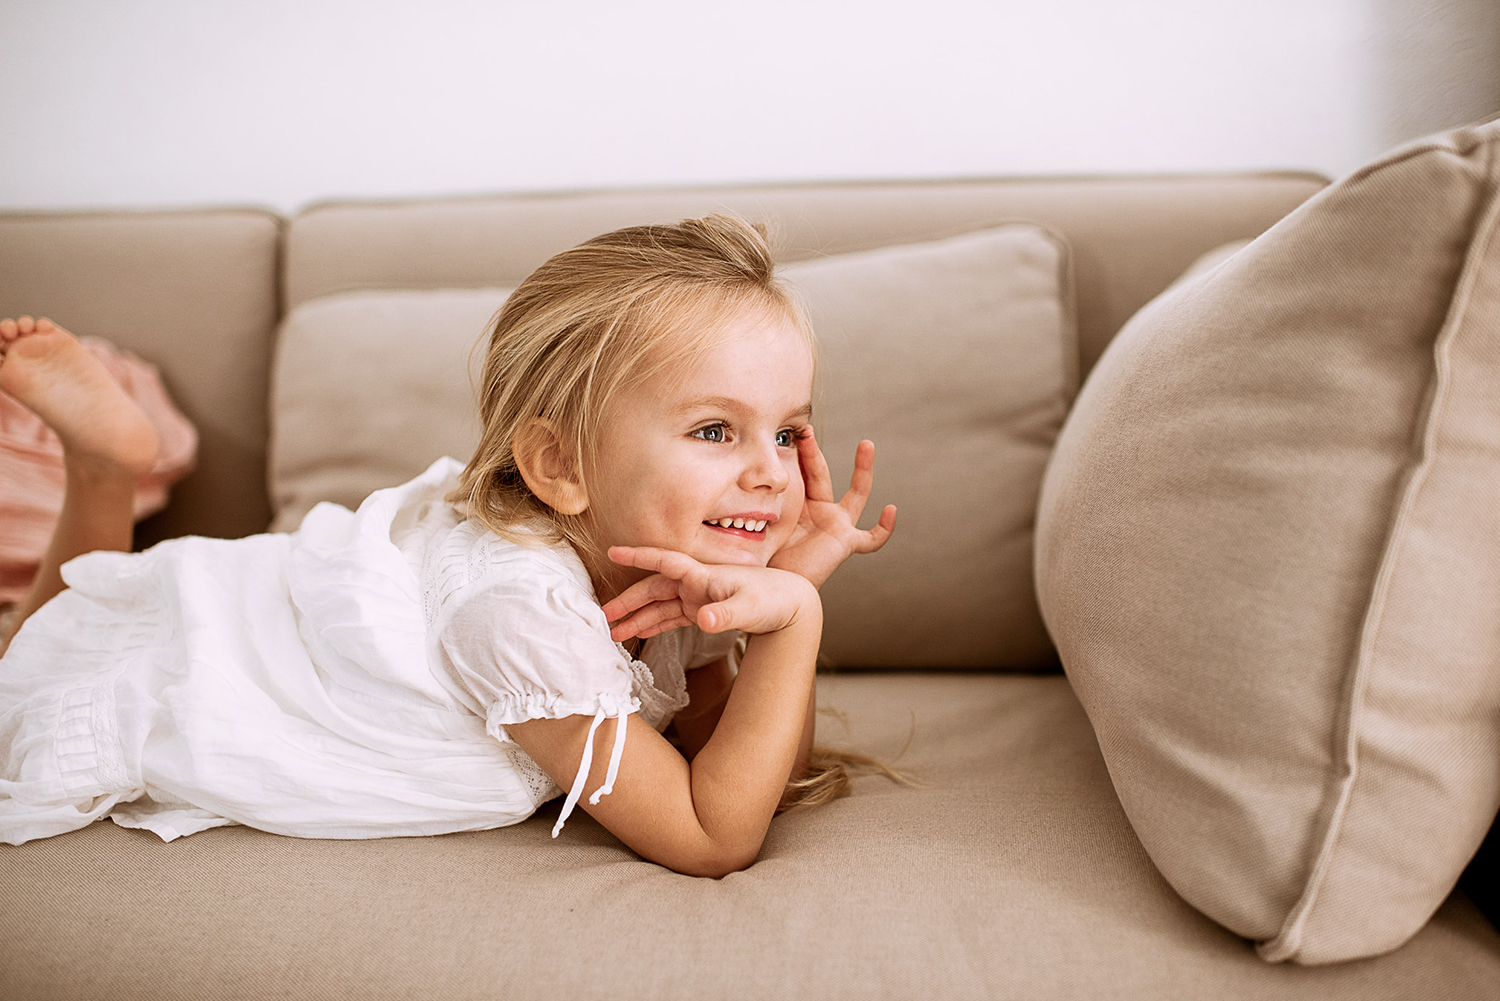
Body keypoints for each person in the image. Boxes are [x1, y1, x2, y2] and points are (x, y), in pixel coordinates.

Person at [0, 215, 897, 877]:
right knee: (33, 668)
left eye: (786, 433)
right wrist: (795, 621)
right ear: (559, 466)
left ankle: (103, 474)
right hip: (228, 652)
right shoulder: (517, 612)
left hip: (267, 605)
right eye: (714, 431)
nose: (773, 474)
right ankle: (104, 472)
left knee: (42, 638)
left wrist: (775, 594)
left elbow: (741, 763)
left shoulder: (664, 560)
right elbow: (714, 834)